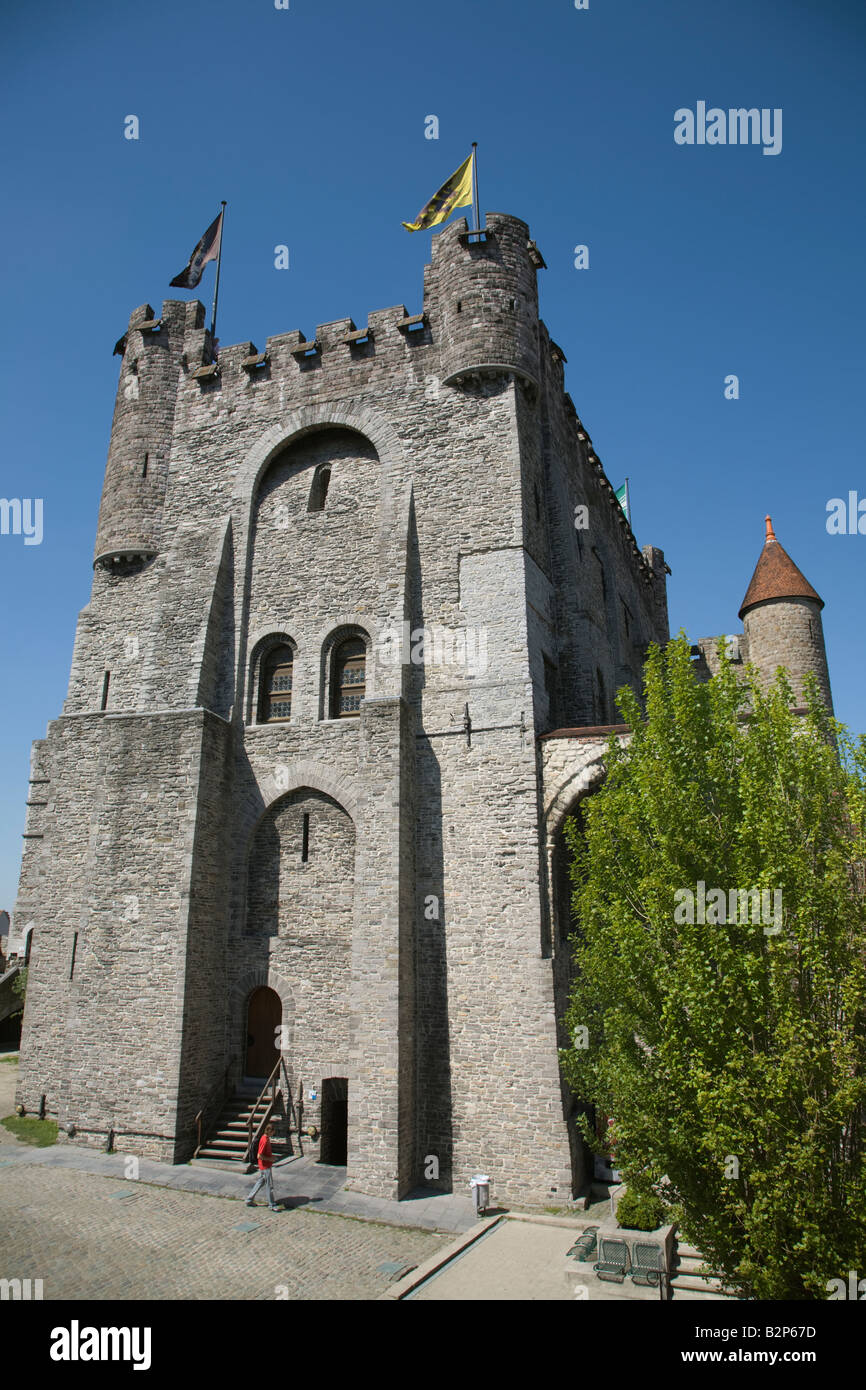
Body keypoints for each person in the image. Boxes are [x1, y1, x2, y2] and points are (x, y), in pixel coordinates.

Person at [246, 1121, 280, 1211]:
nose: (274, 1133)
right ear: (269, 1131)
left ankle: (249, 1199)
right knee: (270, 1185)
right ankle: (271, 1204)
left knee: (260, 1182)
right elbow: (259, 1155)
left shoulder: (266, 1138)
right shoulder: (264, 1140)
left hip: (265, 1165)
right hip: (265, 1166)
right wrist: (271, 1159)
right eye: (273, 1131)